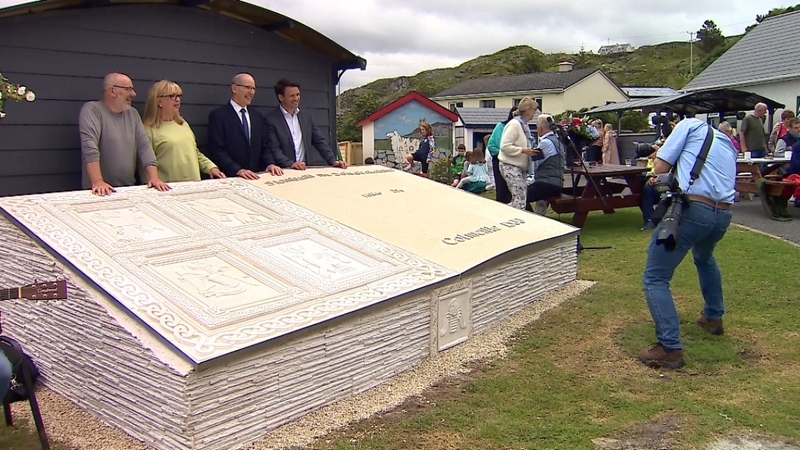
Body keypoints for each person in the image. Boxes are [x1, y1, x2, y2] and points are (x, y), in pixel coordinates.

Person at [638, 118, 737, 369]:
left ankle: (669, 348)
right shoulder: (726, 141)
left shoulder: (687, 126)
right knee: (705, 258)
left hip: (694, 209)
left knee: (655, 277)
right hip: (723, 214)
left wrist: (659, 153)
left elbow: (660, 168)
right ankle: (713, 317)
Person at [79, 72, 170, 196]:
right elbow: (89, 147)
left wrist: (154, 177)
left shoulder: (133, 114)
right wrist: (98, 181)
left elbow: (144, 146)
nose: (133, 94)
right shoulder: (92, 110)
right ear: (112, 91)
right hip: (98, 192)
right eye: (128, 89)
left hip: (127, 189)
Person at [142, 80, 225, 182]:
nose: (177, 100)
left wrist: (211, 167)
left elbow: (194, 152)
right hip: (168, 189)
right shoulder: (148, 129)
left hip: (193, 185)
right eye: (172, 96)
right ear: (159, 101)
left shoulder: (183, 124)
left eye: (179, 96)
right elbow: (145, 164)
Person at [206, 73, 285, 180]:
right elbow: (216, 149)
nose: (251, 92)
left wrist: (270, 163)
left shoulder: (257, 117)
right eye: (247, 87)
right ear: (234, 88)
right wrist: (237, 170)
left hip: (256, 177)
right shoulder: (219, 116)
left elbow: (265, 146)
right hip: (231, 178)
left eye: (253, 88)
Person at [264, 78, 347, 170]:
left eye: (298, 94)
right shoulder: (271, 120)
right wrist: (291, 164)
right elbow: (274, 148)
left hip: (306, 171)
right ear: (281, 97)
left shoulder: (306, 116)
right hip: (283, 172)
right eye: (292, 96)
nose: (296, 98)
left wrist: (333, 160)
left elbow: (319, 141)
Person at [499, 97, 539, 210]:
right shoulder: (514, 125)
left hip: (519, 168)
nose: (535, 113)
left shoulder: (524, 126)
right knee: (519, 201)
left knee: (520, 200)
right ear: (527, 110)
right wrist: (523, 150)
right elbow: (504, 146)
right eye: (534, 109)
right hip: (510, 166)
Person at [524, 114, 565, 213]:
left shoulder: (546, 143)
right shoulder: (557, 141)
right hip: (555, 182)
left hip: (547, 183)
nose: (537, 128)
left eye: (537, 125)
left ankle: (532, 220)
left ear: (541, 127)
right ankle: (537, 217)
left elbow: (535, 163)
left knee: (520, 195)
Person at [487, 107, 516, 204]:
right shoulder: (501, 126)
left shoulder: (522, 129)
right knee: (502, 189)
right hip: (500, 159)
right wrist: (503, 152)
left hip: (514, 160)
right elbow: (492, 145)